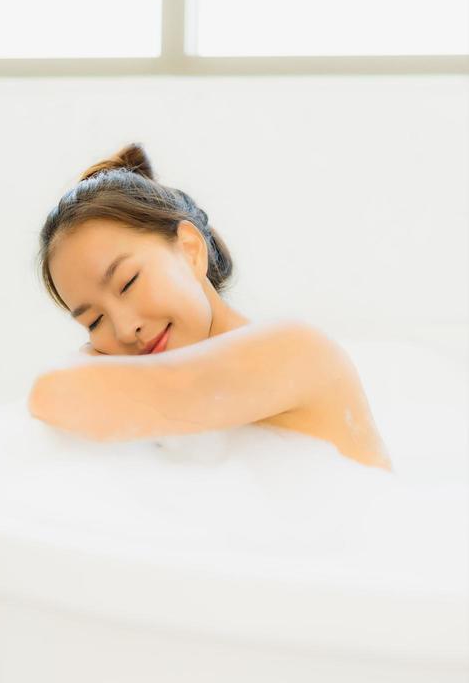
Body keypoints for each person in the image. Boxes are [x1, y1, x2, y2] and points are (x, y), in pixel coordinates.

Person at [31, 142, 393, 472]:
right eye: (94, 321)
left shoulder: (294, 351)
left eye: (127, 283)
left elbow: (52, 393)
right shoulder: (166, 411)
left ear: (190, 249)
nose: (125, 329)